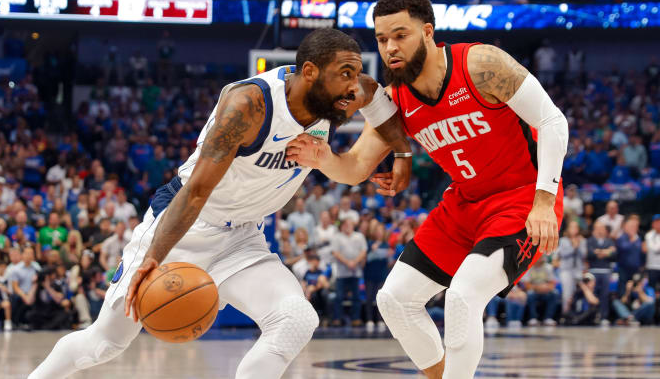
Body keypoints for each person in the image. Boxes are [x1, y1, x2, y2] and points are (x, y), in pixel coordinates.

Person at [28, 28, 412, 379]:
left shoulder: (347, 91)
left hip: (244, 237)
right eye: (344, 74)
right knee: (105, 343)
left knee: (295, 318)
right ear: (309, 71)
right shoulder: (248, 104)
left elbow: (380, 104)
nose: (352, 87)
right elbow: (195, 191)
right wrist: (154, 258)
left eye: (353, 74)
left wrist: (403, 155)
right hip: (186, 226)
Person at [287, 0, 567, 379]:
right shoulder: (396, 99)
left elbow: (553, 121)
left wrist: (543, 201)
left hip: (521, 199)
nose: (389, 48)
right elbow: (355, 168)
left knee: (463, 296)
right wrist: (324, 160)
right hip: (464, 203)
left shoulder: (481, 64)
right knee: (395, 300)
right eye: (382, 39)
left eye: (400, 35)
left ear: (428, 32)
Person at [330, 218, 367, 327]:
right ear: (342, 226)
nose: (347, 226)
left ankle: (355, 319)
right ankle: (337, 319)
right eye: (345, 224)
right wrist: (347, 263)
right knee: (339, 297)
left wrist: (354, 262)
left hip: (355, 272)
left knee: (356, 297)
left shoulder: (359, 236)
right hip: (342, 272)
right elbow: (335, 253)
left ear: (353, 225)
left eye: (349, 224)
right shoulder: (337, 237)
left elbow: (363, 251)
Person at [586, 220, 616, 326]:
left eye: (602, 228)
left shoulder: (609, 241)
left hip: (606, 271)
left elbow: (613, 254)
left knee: (604, 295)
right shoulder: (590, 240)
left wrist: (598, 252)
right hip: (593, 271)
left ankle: (604, 316)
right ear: (594, 229)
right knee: (591, 294)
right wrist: (606, 252)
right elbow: (590, 254)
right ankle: (591, 316)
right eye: (598, 228)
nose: (600, 230)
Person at [644, 214, 660, 292]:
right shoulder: (648, 235)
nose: (658, 224)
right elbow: (654, 249)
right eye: (656, 222)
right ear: (652, 224)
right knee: (651, 290)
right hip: (652, 267)